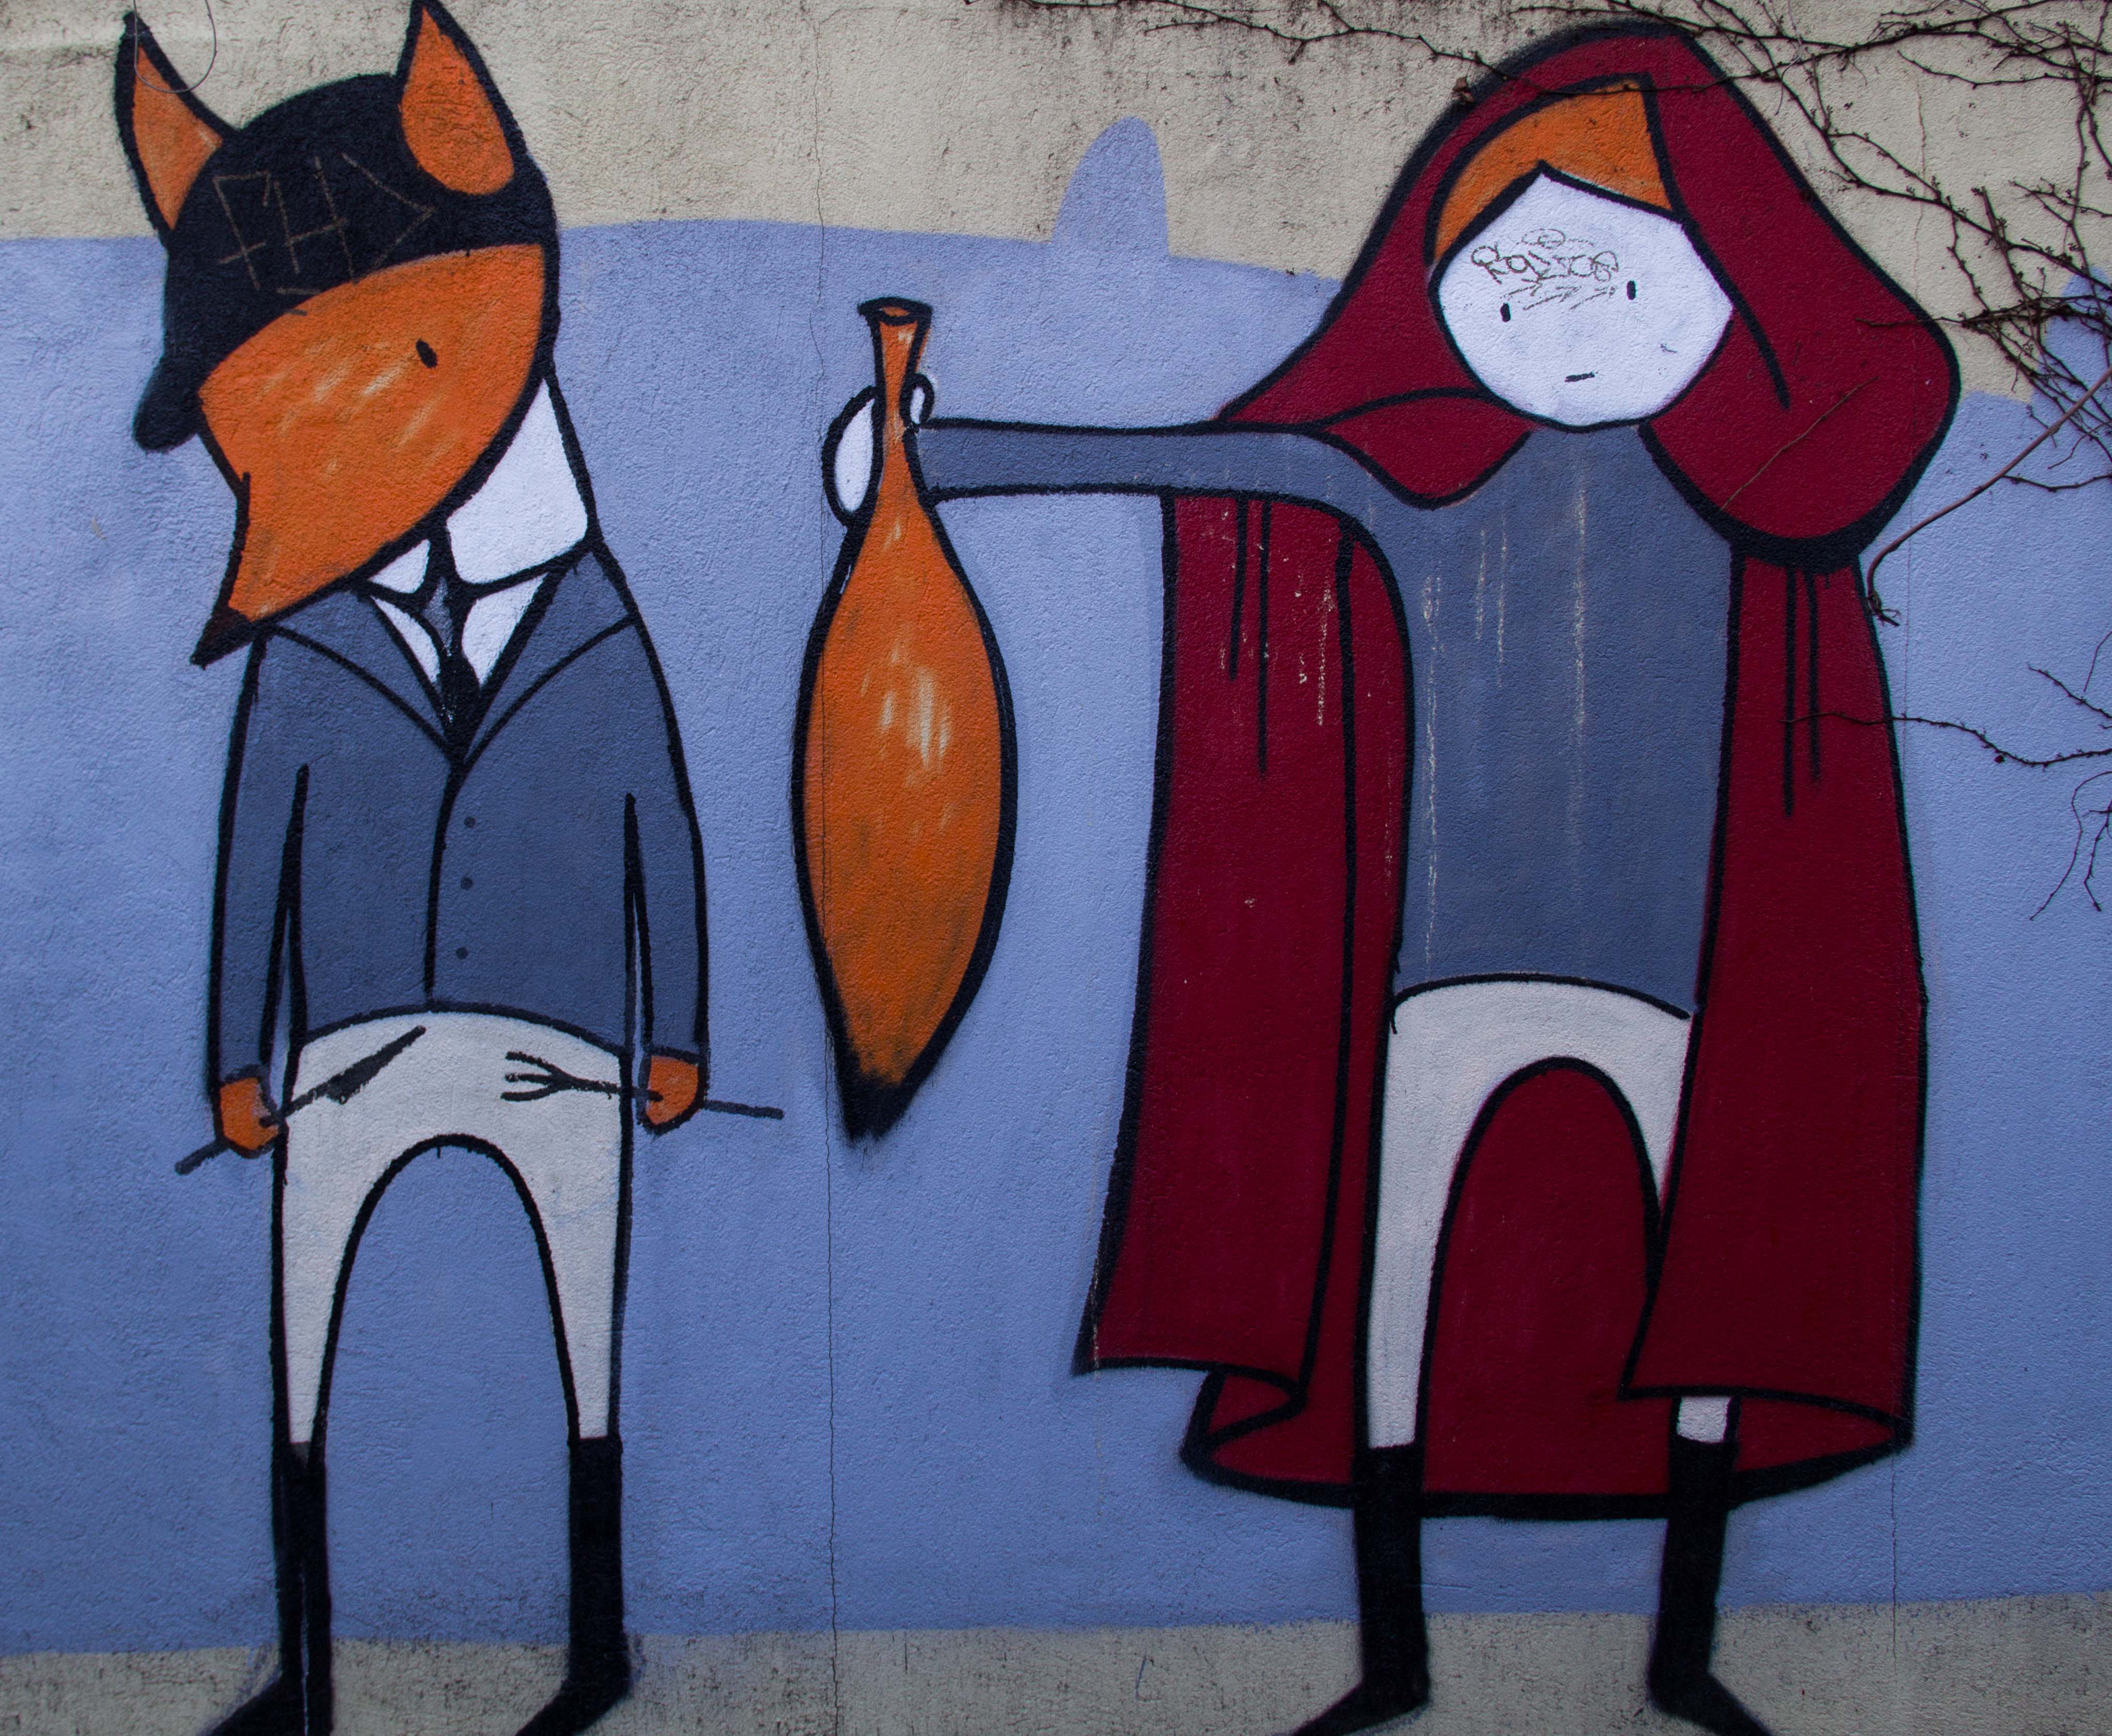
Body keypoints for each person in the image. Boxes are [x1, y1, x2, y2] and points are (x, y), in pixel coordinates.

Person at [826, 23, 1954, 1735]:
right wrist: (929, 458)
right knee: (1395, 1297)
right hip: (1450, 968)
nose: (1565, 320)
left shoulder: (1758, 506)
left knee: (1710, 1296)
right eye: (1518, 273)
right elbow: (1203, 461)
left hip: (1678, 982)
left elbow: (1884, 384)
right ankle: (1396, 1653)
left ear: (1722, 288)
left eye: (1615, 274)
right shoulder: (1406, 481)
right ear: (1445, 286)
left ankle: (1683, 1647)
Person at [115, 7, 707, 1731]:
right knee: (306, 1349)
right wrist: (238, 1055)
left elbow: (661, 822)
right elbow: (259, 841)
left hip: (562, 1030)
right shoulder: (312, 640)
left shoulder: (592, 619)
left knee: (585, 1345)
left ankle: (595, 1645)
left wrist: (678, 1029)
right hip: (353, 1038)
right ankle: (309, 1667)